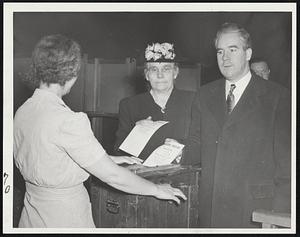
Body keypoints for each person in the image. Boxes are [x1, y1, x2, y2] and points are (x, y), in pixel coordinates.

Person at [13, 35, 187, 228]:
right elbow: (113, 176)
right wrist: (156, 189)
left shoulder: (23, 111)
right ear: (72, 72)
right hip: (64, 215)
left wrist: (108, 158)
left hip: (32, 211)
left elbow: (51, 156)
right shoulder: (69, 120)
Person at [183, 23, 291, 228]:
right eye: (220, 51)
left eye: (233, 50)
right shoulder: (204, 95)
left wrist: (279, 220)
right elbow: (193, 148)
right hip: (211, 210)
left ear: (248, 53)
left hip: (256, 212)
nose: (225, 58)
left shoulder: (278, 97)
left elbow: (287, 168)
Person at [114, 42, 195, 160]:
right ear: (147, 75)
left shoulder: (193, 100)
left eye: (166, 69)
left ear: (175, 73)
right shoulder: (129, 105)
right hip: (144, 176)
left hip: (184, 174)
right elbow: (118, 151)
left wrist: (183, 151)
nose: (160, 75)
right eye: (153, 69)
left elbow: (204, 142)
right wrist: (135, 134)